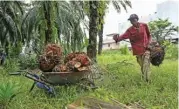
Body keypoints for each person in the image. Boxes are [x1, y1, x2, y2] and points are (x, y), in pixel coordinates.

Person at [113, 14, 152, 82]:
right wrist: (116, 38)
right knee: (142, 66)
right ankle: (144, 78)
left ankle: (147, 81)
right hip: (138, 51)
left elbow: (149, 36)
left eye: (134, 20)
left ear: (137, 19)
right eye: (131, 20)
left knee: (146, 64)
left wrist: (149, 44)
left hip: (146, 49)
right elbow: (122, 37)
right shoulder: (129, 30)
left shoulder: (144, 25)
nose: (132, 21)